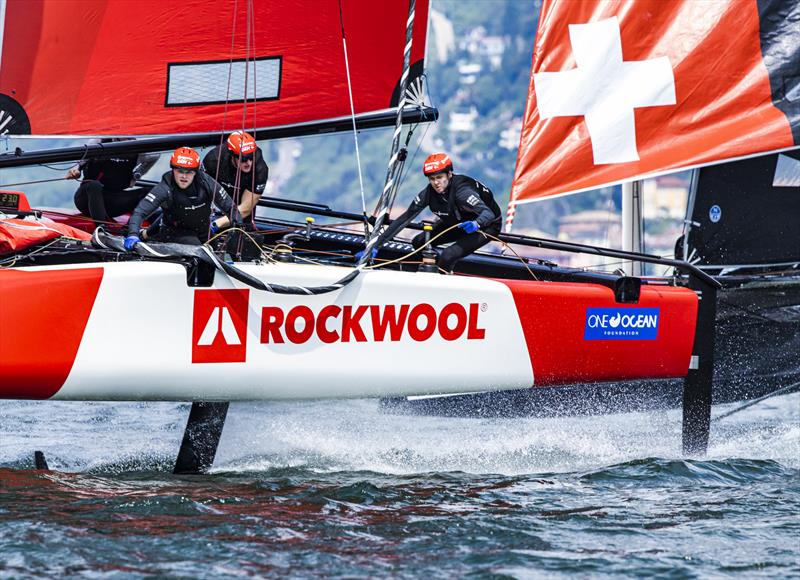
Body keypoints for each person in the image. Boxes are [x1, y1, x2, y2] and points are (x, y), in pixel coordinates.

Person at [362, 153, 502, 272]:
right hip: (458, 222)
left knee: (448, 255)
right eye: (432, 179)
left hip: (486, 225)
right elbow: (404, 219)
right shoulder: (428, 193)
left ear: (449, 174)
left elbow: (488, 213)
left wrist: (476, 224)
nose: (436, 183)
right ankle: (433, 270)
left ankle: (442, 281)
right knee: (418, 242)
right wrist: (376, 246)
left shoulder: (462, 191)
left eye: (439, 177)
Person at [124, 147, 241, 250]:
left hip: (204, 230)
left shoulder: (206, 182)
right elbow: (140, 212)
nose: (184, 176)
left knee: (217, 253)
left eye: (189, 172)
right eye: (180, 171)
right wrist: (133, 234)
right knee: (199, 251)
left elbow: (231, 208)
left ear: (196, 172)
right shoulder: (165, 186)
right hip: (175, 232)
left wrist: (238, 228)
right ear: (173, 170)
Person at [68, 138, 159, 227]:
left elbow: (155, 155)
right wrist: (76, 170)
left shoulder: (138, 148)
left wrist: (138, 174)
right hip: (87, 199)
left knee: (151, 192)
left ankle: (129, 230)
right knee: (94, 185)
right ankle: (101, 231)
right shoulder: (99, 142)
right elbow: (79, 164)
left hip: (114, 201)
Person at [202, 130, 268, 229]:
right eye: (244, 159)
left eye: (251, 157)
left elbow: (246, 209)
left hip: (242, 200)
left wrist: (216, 224)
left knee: (243, 226)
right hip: (219, 191)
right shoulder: (213, 160)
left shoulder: (259, 168)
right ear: (232, 155)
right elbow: (200, 189)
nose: (248, 163)